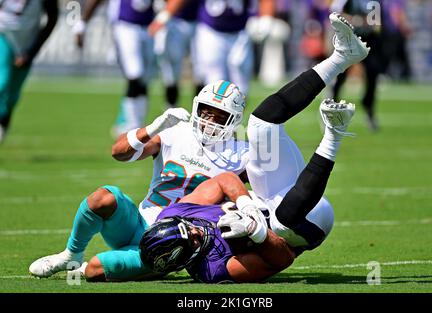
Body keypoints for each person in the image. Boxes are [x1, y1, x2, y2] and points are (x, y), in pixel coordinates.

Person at [138, 12, 369, 283]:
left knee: (261, 123)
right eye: (193, 239)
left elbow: (224, 180)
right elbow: (283, 259)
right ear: (187, 258)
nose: (196, 230)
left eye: (187, 228)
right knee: (283, 221)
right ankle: (334, 133)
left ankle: (342, 56)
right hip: (304, 222)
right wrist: (256, 232)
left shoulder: (176, 213)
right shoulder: (213, 270)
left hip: (263, 197)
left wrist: (246, 206)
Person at [28, 80, 249, 281]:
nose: (209, 121)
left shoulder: (242, 154)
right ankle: (71, 255)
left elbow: (269, 193)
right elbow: (118, 152)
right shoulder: (176, 132)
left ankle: (154, 266)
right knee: (102, 197)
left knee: (95, 269)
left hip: (174, 242)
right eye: (205, 111)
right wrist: (155, 127)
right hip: (138, 223)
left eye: (219, 115)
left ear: (234, 119)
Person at [73, 0, 158, 138]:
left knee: (145, 79)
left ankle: (137, 124)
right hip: (125, 25)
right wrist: (82, 23)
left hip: (148, 27)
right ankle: (132, 126)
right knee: (135, 73)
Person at [0, 0, 58, 143]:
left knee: (12, 95)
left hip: (26, 44)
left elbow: (52, 18)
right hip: (3, 34)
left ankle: (2, 124)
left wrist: (31, 51)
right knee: (2, 81)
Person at [330, 0, 383, 131]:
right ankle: (331, 105)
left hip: (369, 40)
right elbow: (337, 15)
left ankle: (369, 109)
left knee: (372, 73)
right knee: (340, 74)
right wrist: (356, 20)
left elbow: (376, 24)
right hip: (349, 38)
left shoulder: (374, 2)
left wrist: (364, 22)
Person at [148, 0, 202, 108]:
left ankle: (202, 116)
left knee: (202, 73)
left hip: (202, 23)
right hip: (175, 22)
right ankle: (170, 112)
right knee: (171, 73)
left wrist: (163, 17)